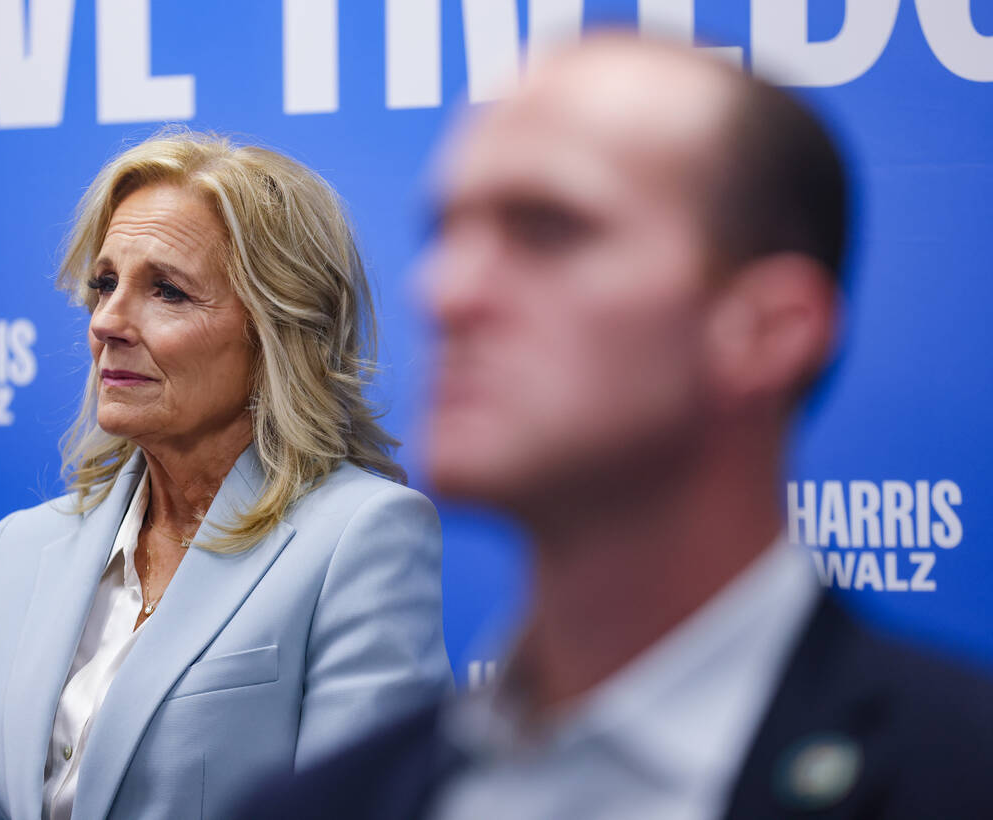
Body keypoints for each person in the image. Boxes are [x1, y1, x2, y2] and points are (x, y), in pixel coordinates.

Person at [235, 34, 993, 819]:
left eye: (547, 229)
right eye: (448, 234)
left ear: (769, 329)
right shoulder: (318, 805)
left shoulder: (961, 776)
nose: (446, 291)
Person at [0, 129, 452, 820]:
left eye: (168, 292)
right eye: (104, 283)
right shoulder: (19, 552)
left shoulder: (360, 538)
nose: (109, 322)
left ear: (277, 330)